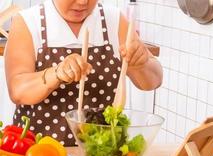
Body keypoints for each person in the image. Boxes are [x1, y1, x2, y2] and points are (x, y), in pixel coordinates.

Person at [5, 0, 163, 146]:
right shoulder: (29, 22)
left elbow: (153, 80)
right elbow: (18, 90)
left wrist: (140, 64)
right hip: (39, 155)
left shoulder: (113, 20)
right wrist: (57, 73)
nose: (82, 2)